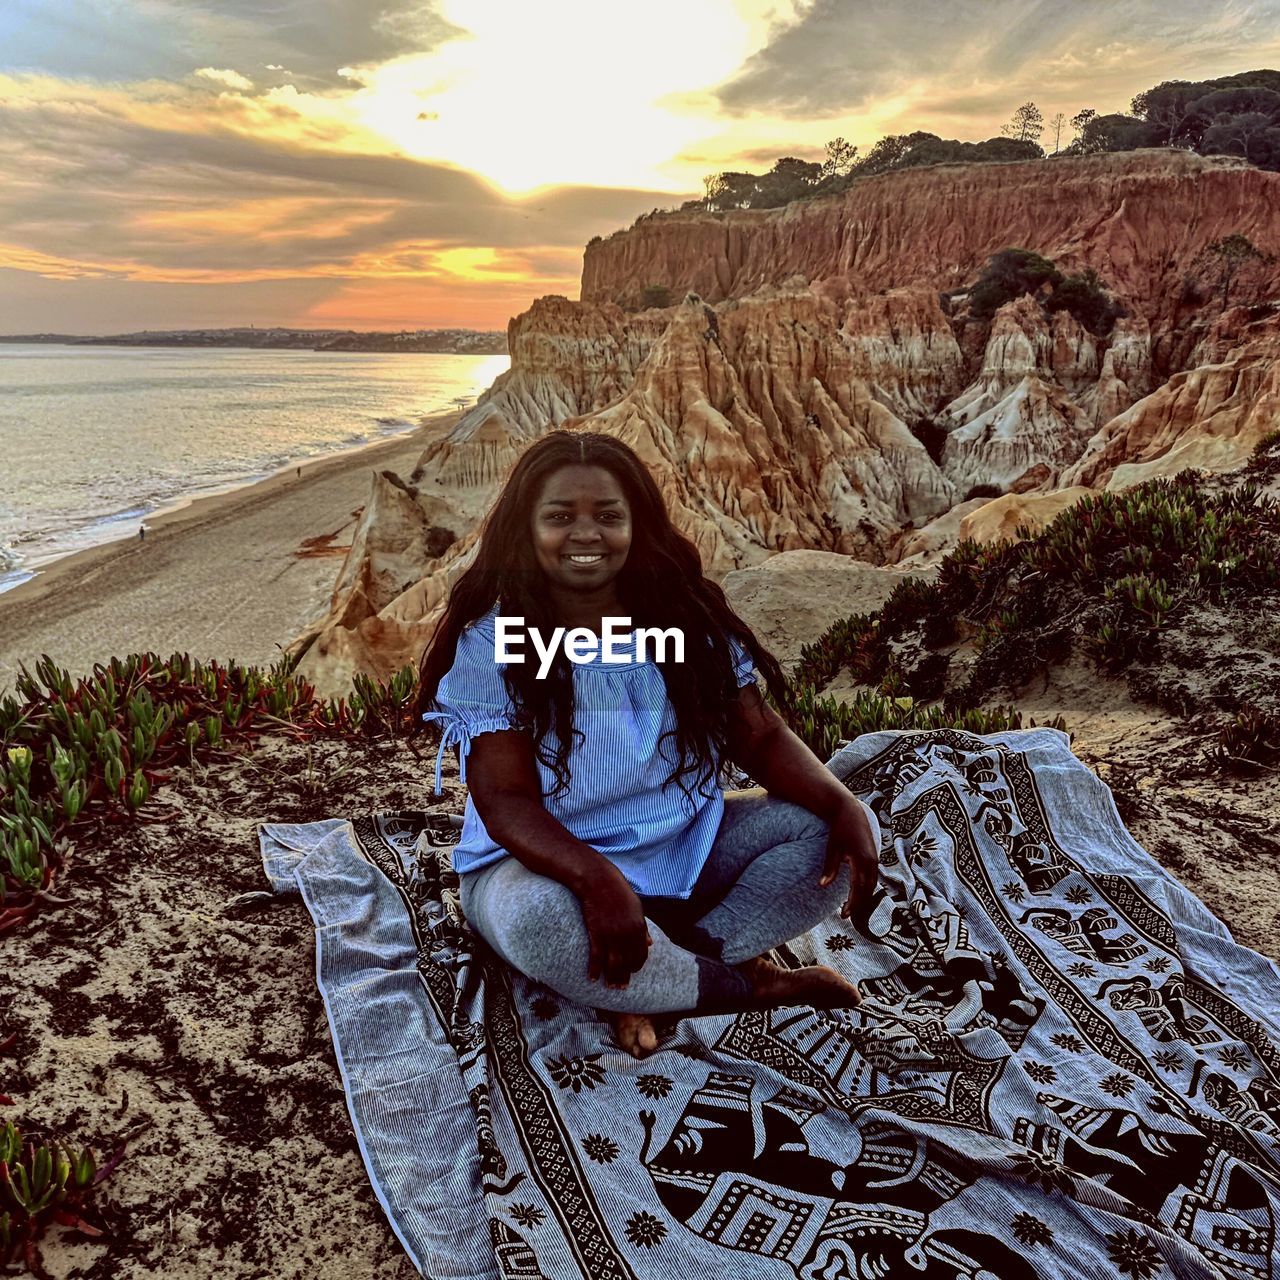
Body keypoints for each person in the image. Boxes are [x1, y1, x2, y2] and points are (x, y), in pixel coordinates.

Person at [414, 430, 880, 1058]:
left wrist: (842, 804)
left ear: (638, 526)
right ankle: (742, 984)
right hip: (542, 869)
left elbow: (761, 736)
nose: (585, 534)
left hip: (685, 851)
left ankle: (655, 976)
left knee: (837, 841)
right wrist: (598, 881)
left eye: (608, 516)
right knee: (539, 926)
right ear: (527, 530)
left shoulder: (686, 623)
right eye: (559, 517)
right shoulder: (493, 642)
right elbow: (505, 802)